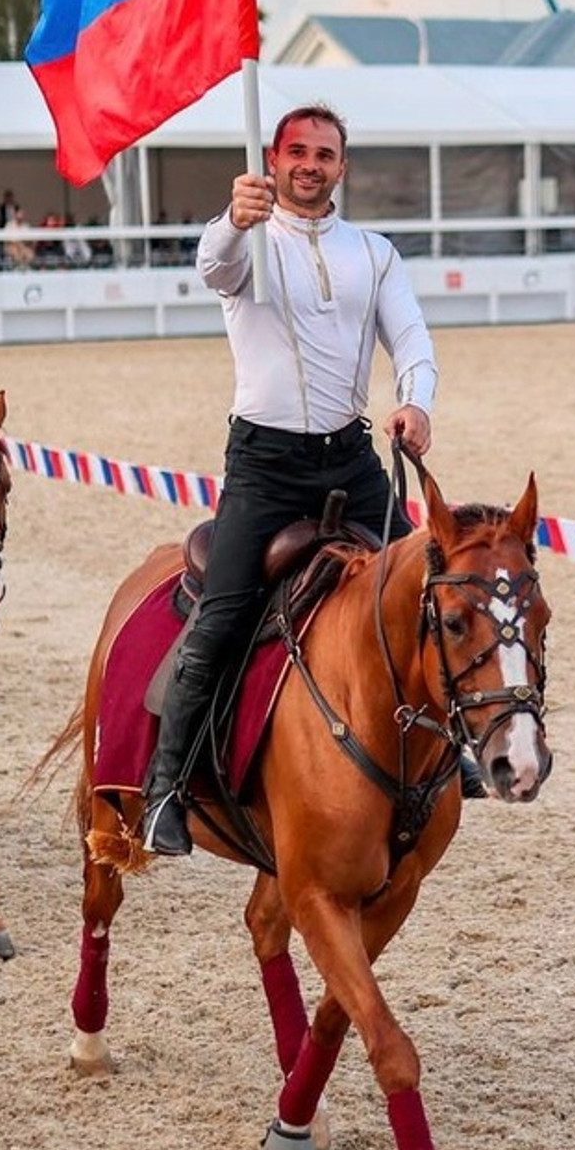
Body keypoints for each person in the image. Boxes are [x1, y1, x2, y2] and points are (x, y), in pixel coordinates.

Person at [140, 104, 445, 857]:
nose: (310, 164)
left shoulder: (372, 252)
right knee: (218, 619)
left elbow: (409, 335)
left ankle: (452, 750)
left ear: (342, 167)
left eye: (325, 153)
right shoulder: (246, 241)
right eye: (297, 152)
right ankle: (165, 790)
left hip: (352, 458)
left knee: (433, 590)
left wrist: (414, 399)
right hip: (264, 466)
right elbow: (213, 266)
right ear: (273, 161)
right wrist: (232, 219)